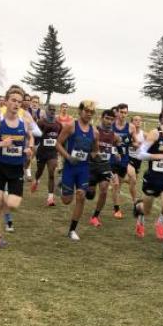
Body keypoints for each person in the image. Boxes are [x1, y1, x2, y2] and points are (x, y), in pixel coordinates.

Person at [0, 86, 33, 247]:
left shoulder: (25, 122)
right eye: (13, 100)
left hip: (17, 168)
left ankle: (4, 199)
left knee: (12, 204)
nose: (16, 104)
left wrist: (30, 148)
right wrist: (1, 143)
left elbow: (31, 138)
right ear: (6, 101)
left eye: (19, 101)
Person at [133, 102, 163, 258]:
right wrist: (158, 156)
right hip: (152, 179)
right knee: (146, 210)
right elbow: (140, 154)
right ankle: (138, 209)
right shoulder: (155, 133)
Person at [56, 100, 98, 241]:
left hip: (83, 169)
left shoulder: (95, 132)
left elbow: (95, 150)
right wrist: (68, 156)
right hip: (70, 167)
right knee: (67, 200)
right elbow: (58, 144)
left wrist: (95, 157)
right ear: (80, 111)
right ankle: (62, 184)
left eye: (91, 112)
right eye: (86, 111)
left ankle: (72, 230)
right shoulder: (70, 126)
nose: (89, 114)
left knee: (81, 197)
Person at [89, 109, 121, 227]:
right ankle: (90, 190)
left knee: (103, 190)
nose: (109, 121)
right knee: (90, 194)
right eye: (107, 118)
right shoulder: (94, 131)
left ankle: (95, 216)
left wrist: (117, 153)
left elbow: (116, 145)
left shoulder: (115, 136)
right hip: (91, 166)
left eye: (112, 119)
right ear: (102, 118)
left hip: (105, 166)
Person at [110, 103, 139, 219]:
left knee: (119, 184)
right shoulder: (111, 125)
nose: (123, 115)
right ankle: (117, 209)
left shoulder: (131, 127)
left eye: (125, 113)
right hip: (111, 159)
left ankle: (117, 204)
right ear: (117, 113)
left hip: (124, 160)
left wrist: (134, 144)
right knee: (116, 184)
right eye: (121, 112)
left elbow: (136, 142)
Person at [32, 103, 62, 206]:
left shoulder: (59, 125)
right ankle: (36, 180)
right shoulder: (41, 122)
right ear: (46, 110)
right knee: (39, 171)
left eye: (54, 110)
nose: (52, 111)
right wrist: (34, 146)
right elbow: (35, 136)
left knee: (51, 173)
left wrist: (61, 150)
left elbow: (61, 139)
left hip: (52, 153)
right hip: (42, 152)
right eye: (50, 109)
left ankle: (50, 198)